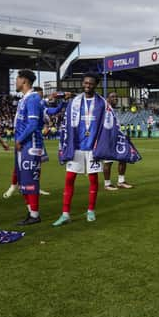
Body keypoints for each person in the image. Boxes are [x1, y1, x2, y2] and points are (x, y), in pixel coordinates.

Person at [53, 73, 105, 226]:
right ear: (83, 83)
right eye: (86, 83)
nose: (88, 85)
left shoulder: (101, 103)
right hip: (76, 146)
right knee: (69, 179)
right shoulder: (75, 101)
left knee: (93, 179)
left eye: (91, 83)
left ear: (95, 85)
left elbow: (106, 124)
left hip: (93, 147)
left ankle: (90, 211)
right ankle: (65, 214)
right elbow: (67, 123)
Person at [13, 70, 45, 225]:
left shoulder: (32, 99)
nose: (15, 81)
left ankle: (34, 215)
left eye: (17, 78)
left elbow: (33, 124)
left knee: (30, 179)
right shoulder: (24, 99)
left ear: (24, 81)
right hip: (24, 145)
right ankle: (31, 213)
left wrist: (19, 139)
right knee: (23, 180)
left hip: (30, 145)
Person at [103, 92, 134, 191]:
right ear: (107, 99)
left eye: (116, 97)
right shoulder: (105, 108)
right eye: (113, 97)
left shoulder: (113, 110)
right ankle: (107, 184)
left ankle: (121, 181)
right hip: (107, 138)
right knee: (108, 162)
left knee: (123, 157)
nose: (115, 98)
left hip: (117, 137)